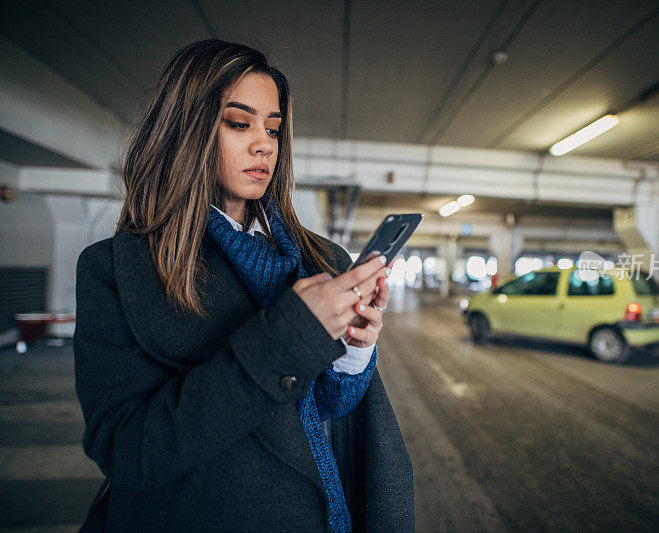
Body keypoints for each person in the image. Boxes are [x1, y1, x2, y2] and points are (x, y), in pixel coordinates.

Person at [73, 39, 414, 532]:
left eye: (273, 128)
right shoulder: (115, 270)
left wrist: (353, 349)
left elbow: (328, 411)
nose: (264, 144)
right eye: (239, 123)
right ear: (185, 130)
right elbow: (127, 451)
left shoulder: (324, 259)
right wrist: (293, 332)